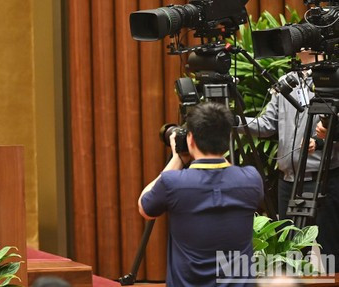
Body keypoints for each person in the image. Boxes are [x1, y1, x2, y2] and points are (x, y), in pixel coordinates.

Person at [138, 101, 263, 286]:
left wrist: (177, 159)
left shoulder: (173, 182)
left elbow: (145, 207)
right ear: (228, 138)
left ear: (190, 139)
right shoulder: (251, 180)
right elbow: (228, 175)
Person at [245, 65, 339, 259]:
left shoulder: (333, 78)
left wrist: (322, 141)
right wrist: (232, 120)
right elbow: (266, 125)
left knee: (330, 254)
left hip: (322, 178)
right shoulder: (287, 80)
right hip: (287, 181)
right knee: (289, 254)